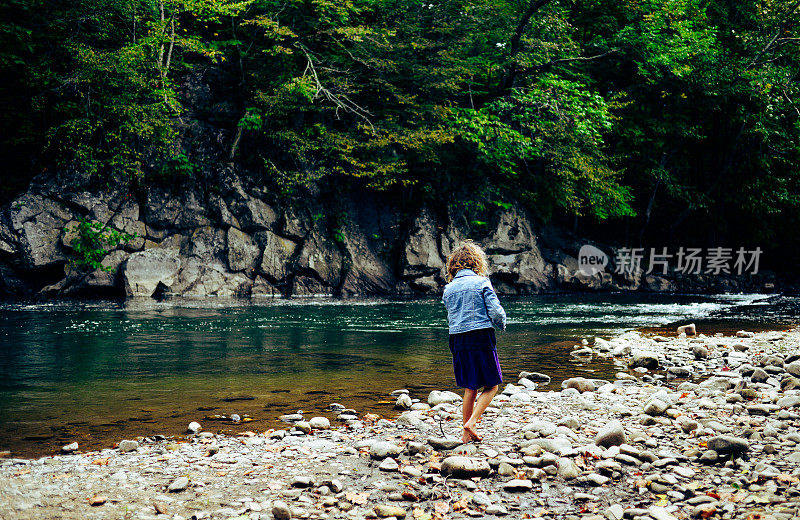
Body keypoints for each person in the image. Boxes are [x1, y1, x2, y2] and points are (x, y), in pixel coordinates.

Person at [442, 240, 506, 443]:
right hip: (480, 336)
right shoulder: (482, 282)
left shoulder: (448, 289)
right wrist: (501, 324)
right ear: (476, 262)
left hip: (457, 339)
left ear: (453, 266)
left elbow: (451, 315)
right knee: (492, 385)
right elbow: (495, 311)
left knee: (470, 387)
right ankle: (472, 422)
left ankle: (465, 435)